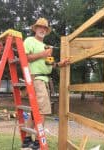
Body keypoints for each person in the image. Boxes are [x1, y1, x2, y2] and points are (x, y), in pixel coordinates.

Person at [22, 18, 70, 149]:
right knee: (43, 111)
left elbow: (49, 64)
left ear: (46, 31)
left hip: (44, 80)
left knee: (35, 112)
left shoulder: (47, 46)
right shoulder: (29, 41)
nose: (42, 30)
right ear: (35, 28)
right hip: (36, 79)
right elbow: (25, 58)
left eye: (45, 28)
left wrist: (60, 64)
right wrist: (44, 53)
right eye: (40, 27)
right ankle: (38, 141)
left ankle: (27, 140)